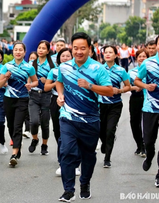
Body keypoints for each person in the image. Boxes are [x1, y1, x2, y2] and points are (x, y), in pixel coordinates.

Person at [56, 32, 113, 201]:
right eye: (75, 48)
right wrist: (60, 95)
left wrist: (90, 86)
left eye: (83, 48)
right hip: (68, 118)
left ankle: (85, 183)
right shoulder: (64, 67)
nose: (79, 51)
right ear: (71, 48)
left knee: (88, 155)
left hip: (90, 119)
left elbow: (109, 90)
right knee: (66, 151)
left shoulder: (98, 68)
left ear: (89, 49)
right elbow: (59, 81)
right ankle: (68, 190)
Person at [0, 42, 38, 167]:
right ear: (13, 51)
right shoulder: (7, 66)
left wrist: (30, 85)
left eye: (21, 50)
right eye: (16, 49)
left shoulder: (29, 67)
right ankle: (17, 144)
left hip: (22, 99)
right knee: (10, 125)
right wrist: (5, 77)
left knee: (17, 126)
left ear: (25, 52)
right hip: (9, 98)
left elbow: (36, 81)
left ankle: (14, 154)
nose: (18, 52)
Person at [45, 48, 80, 176]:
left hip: (73, 100)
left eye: (67, 56)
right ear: (58, 58)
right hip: (56, 100)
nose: (65, 58)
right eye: (63, 56)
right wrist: (57, 82)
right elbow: (46, 87)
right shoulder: (54, 71)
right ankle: (62, 161)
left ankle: (75, 163)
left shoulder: (76, 70)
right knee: (59, 132)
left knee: (73, 132)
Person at [99, 45, 131, 168]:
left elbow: (128, 86)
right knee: (101, 131)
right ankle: (104, 142)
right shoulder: (99, 69)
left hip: (115, 105)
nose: (107, 54)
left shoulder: (121, 70)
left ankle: (107, 158)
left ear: (116, 55)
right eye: (105, 52)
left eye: (110, 52)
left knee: (110, 130)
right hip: (101, 104)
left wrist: (120, 91)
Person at [134, 35, 159, 188]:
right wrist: (146, 86)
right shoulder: (148, 63)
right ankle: (149, 156)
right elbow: (137, 80)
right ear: (156, 46)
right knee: (148, 141)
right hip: (150, 108)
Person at [28, 40, 55, 155]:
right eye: (39, 48)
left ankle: (44, 145)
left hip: (47, 95)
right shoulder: (32, 63)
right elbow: (28, 77)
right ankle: (35, 139)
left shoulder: (52, 64)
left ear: (48, 51)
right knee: (33, 121)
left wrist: (47, 81)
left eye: (44, 48)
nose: (41, 50)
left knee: (45, 122)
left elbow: (57, 79)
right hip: (33, 95)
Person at [128, 49, 148, 158]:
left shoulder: (151, 70)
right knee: (134, 123)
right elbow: (127, 86)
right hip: (135, 99)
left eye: (144, 56)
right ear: (136, 58)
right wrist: (134, 87)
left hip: (147, 99)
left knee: (145, 123)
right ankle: (139, 145)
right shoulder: (131, 72)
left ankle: (144, 146)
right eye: (140, 56)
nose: (141, 58)